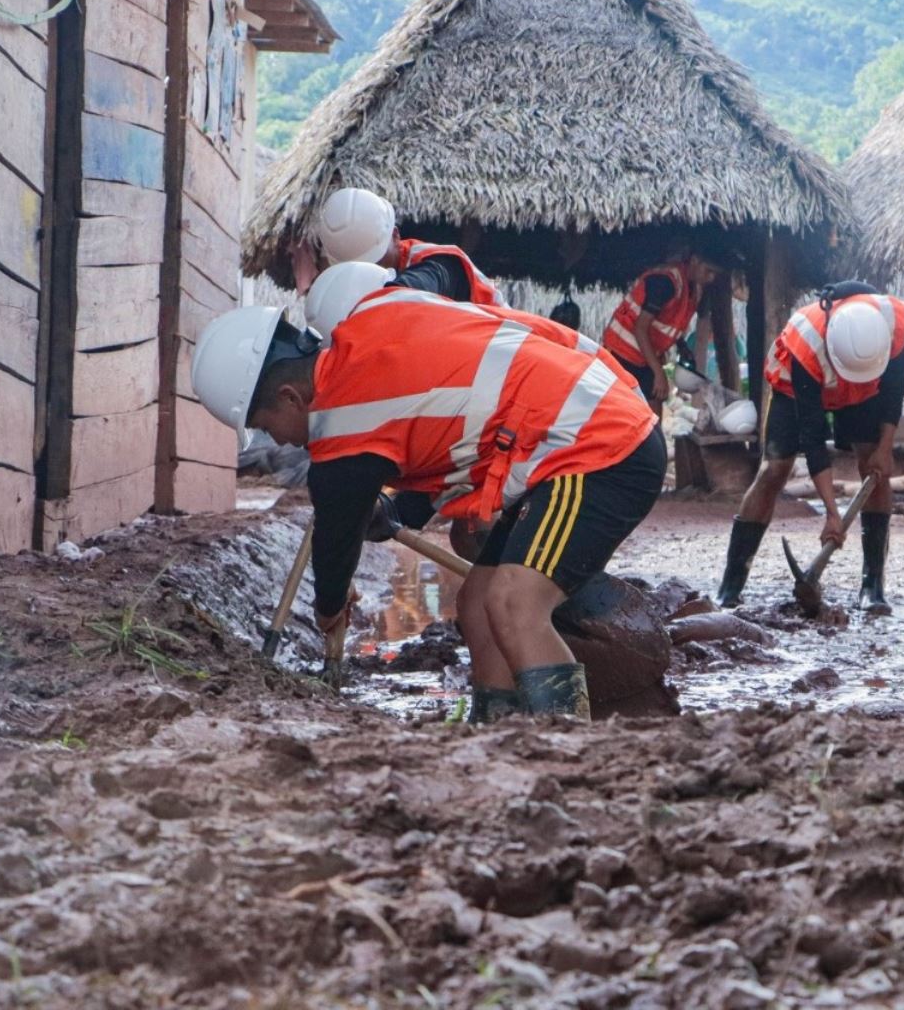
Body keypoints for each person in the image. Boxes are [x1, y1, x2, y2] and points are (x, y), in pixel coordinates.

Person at [190, 289, 664, 723]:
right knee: (477, 601)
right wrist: (392, 514)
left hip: (600, 444)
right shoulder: (373, 326)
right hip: (573, 428)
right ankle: (497, 730)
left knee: (515, 601)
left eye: (268, 427)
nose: (277, 440)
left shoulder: (341, 433)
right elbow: (439, 425)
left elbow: (336, 541)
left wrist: (329, 608)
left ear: (289, 397)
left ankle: (568, 751)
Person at [717, 285, 904, 616]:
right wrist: (832, 514)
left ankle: (873, 586)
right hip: (795, 386)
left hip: (866, 389)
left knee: (874, 466)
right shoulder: (805, 343)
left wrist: (886, 447)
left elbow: (894, 391)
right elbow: (812, 437)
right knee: (774, 469)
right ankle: (730, 585)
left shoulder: (895, 323)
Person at [313, 187, 502, 306]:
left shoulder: (438, 264)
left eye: (376, 260)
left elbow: (410, 289)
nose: (371, 271)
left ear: (395, 236)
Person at [603, 248, 728, 403]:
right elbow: (640, 329)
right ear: (695, 260)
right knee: (623, 408)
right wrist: (658, 372)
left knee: (655, 403)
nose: (711, 278)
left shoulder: (694, 290)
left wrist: (682, 347)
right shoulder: (666, 282)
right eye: (708, 271)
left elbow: (670, 324)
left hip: (645, 356)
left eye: (714, 274)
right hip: (621, 353)